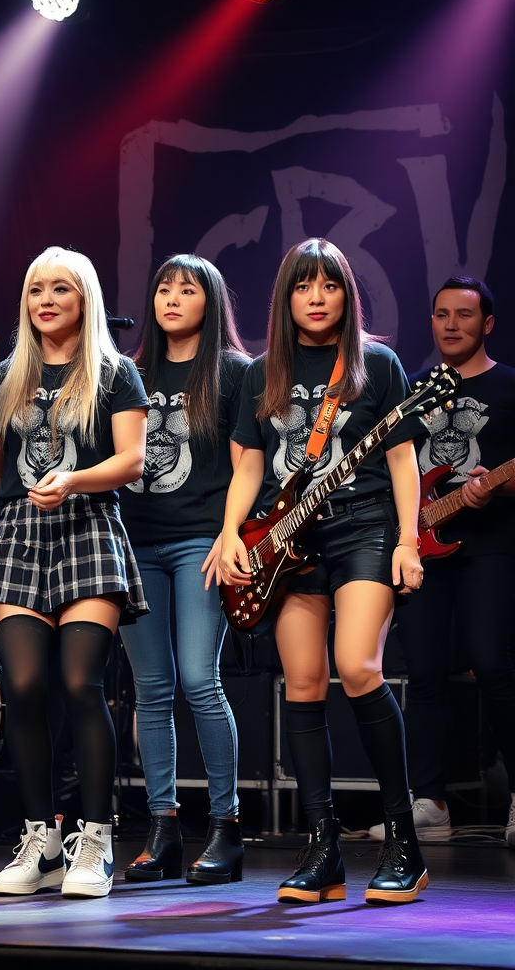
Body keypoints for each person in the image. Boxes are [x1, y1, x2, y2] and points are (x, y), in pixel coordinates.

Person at [219, 237, 428, 905]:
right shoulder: (261, 372)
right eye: (304, 286)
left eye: (329, 285)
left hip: (365, 528)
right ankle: (324, 849)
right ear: (286, 298)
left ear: (346, 294)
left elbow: (400, 461)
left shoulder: (378, 365)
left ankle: (404, 843)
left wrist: (407, 542)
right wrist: (229, 534)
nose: (316, 297)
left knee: (358, 666)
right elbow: (248, 465)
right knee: (304, 685)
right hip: (287, 545)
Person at [0, 246, 149, 899]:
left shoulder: (113, 372)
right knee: (21, 685)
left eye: (62, 289)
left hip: (88, 527)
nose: (46, 300)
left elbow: (132, 460)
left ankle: (95, 837)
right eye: (37, 289)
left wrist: (73, 479)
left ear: (84, 300)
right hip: (20, 534)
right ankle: (39, 838)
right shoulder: (4, 376)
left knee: (79, 683)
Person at [368, 276, 515, 847]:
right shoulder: (414, 388)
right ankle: (428, 802)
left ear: (488, 325)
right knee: (422, 673)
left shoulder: (507, 386)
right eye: (441, 314)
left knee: (493, 665)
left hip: (489, 545)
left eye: (464, 315)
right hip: (421, 545)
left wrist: (495, 489)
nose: (451, 324)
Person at [117, 254, 250, 885]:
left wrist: (230, 537)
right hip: (136, 545)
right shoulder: (130, 371)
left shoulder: (233, 373)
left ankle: (226, 827)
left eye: (187, 288)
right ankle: (163, 827)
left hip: (202, 542)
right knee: (152, 688)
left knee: (199, 679)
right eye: (163, 287)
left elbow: (246, 468)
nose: (171, 297)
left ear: (211, 300)